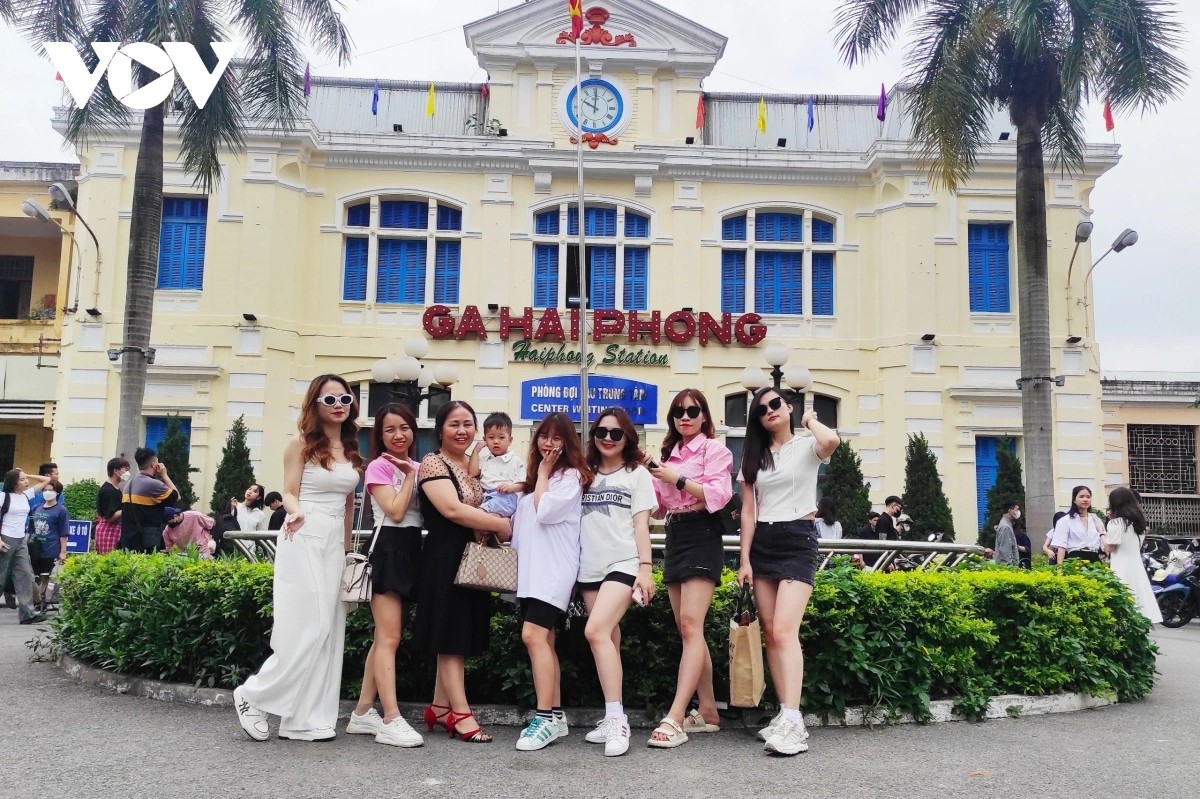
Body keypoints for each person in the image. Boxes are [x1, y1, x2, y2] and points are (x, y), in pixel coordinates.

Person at [233, 374, 363, 743]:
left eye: (344, 399)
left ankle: (304, 720)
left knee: (330, 630)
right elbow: (289, 491)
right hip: (302, 533)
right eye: (329, 400)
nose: (338, 406)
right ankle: (252, 695)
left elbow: (348, 506)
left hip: (333, 543)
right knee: (312, 625)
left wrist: (347, 551)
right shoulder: (300, 443)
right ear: (314, 405)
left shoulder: (351, 448)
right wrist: (295, 512)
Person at [738, 387, 840, 756]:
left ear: (788, 407)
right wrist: (744, 560)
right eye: (761, 409)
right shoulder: (755, 456)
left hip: (798, 538)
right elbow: (748, 511)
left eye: (775, 404)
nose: (770, 410)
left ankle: (795, 723)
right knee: (770, 632)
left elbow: (831, 440)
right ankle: (784, 713)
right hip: (763, 541)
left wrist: (809, 419)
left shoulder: (807, 446)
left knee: (784, 629)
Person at [411, 400, 513, 744]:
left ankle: (440, 709)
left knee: (456, 634)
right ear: (440, 430)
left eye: (468, 424)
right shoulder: (432, 462)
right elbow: (452, 510)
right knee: (451, 637)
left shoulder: (471, 465)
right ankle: (462, 714)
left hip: (470, 557)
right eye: (454, 424)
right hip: (445, 557)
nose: (462, 430)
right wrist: (500, 524)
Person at [644, 388, 731, 749]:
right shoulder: (670, 454)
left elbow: (718, 496)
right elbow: (659, 507)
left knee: (691, 625)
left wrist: (675, 478)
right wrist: (647, 476)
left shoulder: (714, 450)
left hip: (702, 533)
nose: (685, 417)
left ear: (704, 415)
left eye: (692, 411)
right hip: (675, 534)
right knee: (687, 629)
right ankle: (708, 710)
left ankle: (676, 716)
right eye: (678, 412)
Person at [578, 408, 656, 757]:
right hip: (588, 568)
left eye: (616, 433)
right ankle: (613, 713)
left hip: (623, 562)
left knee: (595, 631)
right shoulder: (583, 472)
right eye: (601, 432)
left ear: (628, 437)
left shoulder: (637, 474)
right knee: (608, 637)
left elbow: (641, 525)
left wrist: (646, 567)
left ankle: (616, 719)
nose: (607, 438)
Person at [347, 403, 426, 748]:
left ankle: (363, 712)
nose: (398, 435)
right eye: (390, 429)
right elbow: (394, 511)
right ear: (379, 435)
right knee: (389, 638)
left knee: (385, 637)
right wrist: (408, 476)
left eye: (404, 427)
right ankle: (391, 718)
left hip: (412, 549)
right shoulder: (378, 466)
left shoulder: (422, 467)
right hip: (389, 549)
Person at [512, 413, 589, 752]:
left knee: (532, 635)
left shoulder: (571, 477)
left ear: (568, 443)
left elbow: (545, 513)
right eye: (544, 436)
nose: (549, 443)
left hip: (553, 571)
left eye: (557, 438)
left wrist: (543, 474)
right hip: (532, 572)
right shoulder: (534, 481)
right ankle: (555, 715)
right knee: (544, 639)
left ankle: (543, 718)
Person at [0, 468, 52, 624]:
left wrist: (25, 473)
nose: (26, 481)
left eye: (26, 479)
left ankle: (27, 614)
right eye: (22, 479)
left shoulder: (26, 495)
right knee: (1, 576)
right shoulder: (3, 496)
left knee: (25, 575)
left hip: (21, 540)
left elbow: (46, 480)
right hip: (6, 538)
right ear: (14, 482)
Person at [1104, 487, 1162, 624]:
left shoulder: (1115, 523)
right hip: (1136, 566)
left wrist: (1102, 533)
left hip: (1120, 567)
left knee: (1122, 602)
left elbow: (1110, 548)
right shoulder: (1139, 523)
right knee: (1139, 597)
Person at [119, 448, 180, 553]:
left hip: (128, 540)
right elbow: (177, 496)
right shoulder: (153, 484)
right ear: (153, 464)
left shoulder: (130, 483)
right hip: (147, 542)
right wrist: (164, 475)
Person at [469, 412, 527, 519]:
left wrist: (511, 488)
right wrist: (476, 451)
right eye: (491, 437)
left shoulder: (515, 461)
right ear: (485, 440)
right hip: (487, 497)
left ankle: (482, 515)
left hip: (505, 497)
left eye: (501, 437)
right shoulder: (485, 459)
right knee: (491, 519)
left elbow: (523, 484)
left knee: (480, 514)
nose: (496, 441)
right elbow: (472, 472)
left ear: (510, 440)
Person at [1051, 486, 1106, 564]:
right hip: (1075, 559)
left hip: (1094, 558)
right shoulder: (1065, 521)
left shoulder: (1096, 520)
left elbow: (1104, 545)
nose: (1085, 499)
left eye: (1088, 497)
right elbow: (1061, 546)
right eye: (1081, 497)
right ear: (1074, 500)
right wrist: (1060, 567)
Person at [28, 481, 69, 580]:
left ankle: (42, 590)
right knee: (34, 577)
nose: (47, 492)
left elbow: (63, 533)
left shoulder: (61, 510)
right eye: (45, 490)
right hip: (35, 550)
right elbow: (30, 529)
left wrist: (63, 552)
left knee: (46, 577)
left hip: (51, 549)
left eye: (50, 490)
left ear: (57, 493)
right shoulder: (36, 508)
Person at [95, 458, 129, 554]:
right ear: (116, 471)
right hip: (108, 531)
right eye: (125, 469)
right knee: (108, 559)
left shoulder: (115, 488)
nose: (127, 472)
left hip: (113, 530)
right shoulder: (109, 491)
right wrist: (128, 508)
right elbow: (109, 517)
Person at [993, 500, 1021, 566]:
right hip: (1007, 568)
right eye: (1017, 509)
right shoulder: (1005, 527)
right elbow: (1005, 552)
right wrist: (1010, 567)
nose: (1018, 512)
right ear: (1010, 511)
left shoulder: (1008, 524)